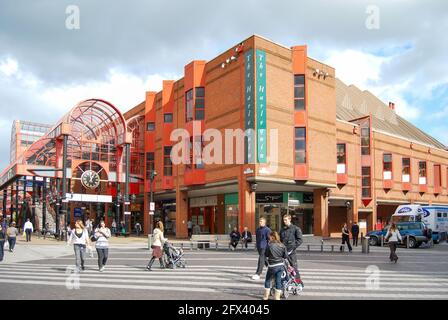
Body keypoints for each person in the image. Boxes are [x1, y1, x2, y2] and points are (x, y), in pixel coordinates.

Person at [263, 231, 288, 300]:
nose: (269, 239)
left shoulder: (269, 245)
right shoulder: (282, 245)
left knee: (267, 280)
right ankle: (277, 298)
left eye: (269, 237)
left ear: (272, 237)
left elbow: (266, 255)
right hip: (280, 266)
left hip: (272, 266)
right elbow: (285, 256)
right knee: (278, 281)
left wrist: (267, 264)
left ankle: (265, 297)